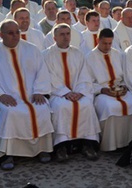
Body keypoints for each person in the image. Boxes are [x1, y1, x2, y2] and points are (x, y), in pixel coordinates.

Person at [0, 20, 54, 170]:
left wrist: (39, 91)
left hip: (32, 95)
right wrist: (0, 95)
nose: (15, 36)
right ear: (1, 35)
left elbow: (42, 71)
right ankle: (6, 153)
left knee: (42, 109)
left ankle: (41, 149)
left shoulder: (32, 50)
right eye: (10, 33)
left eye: (17, 32)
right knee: (9, 112)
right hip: (8, 97)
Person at [42, 24, 101, 162]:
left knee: (86, 105)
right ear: (54, 37)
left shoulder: (78, 53)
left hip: (77, 92)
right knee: (61, 107)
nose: (65, 37)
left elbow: (84, 75)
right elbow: (48, 77)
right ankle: (61, 146)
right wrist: (65, 92)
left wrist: (80, 92)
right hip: (57, 94)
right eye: (62, 34)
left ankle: (87, 144)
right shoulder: (46, 55)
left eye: (68, 34)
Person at [85, 28, 132, 151]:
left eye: (110, 43)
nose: (108, 46)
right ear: (98, 40)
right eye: (104, 43)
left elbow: (125, 75)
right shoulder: (89, 58)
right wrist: (103, 90)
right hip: (101, 93)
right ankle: (110, 145)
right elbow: (87, 82)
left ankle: (129, 143)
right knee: (110, 107)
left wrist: (124, 86)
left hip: (120, 90)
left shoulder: (118, 54)